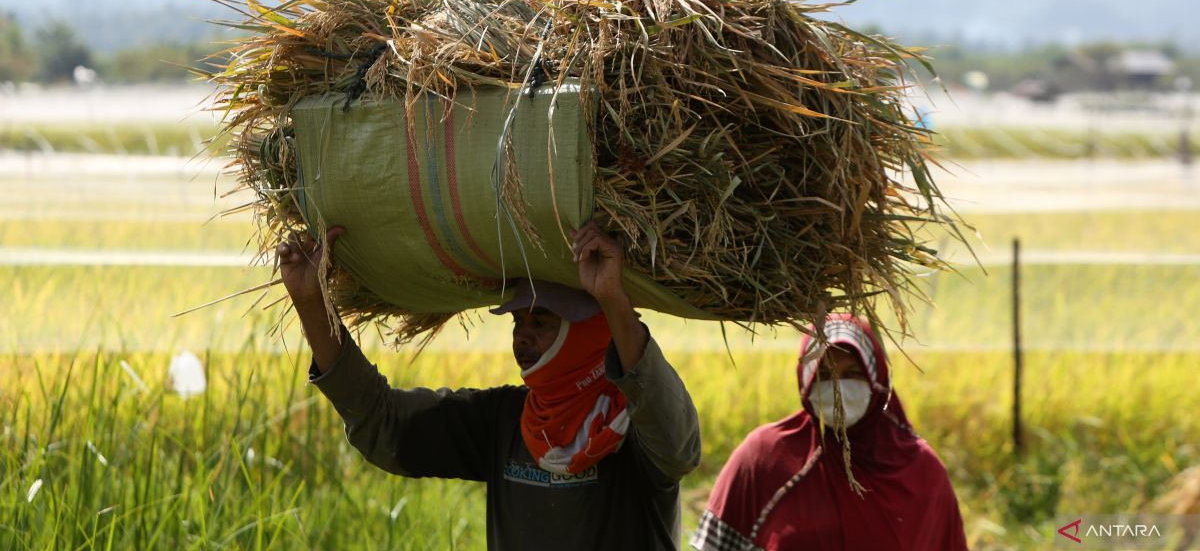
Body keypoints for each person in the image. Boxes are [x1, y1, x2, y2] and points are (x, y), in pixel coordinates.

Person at [278, 219, 702, 550]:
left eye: (541, 322)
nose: (522, 335)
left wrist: (614, 301)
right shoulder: (506, 423)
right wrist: (312, 304)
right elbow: (384, 424)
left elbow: (680, 446)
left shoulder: (636, 430)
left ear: (590, 333)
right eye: (519, 320)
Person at [691, 314, 968, 551]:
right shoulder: (765, 457)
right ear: (806, 379)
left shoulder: (921, 472)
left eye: (853, 373)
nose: (838, 389)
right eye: (825, 374)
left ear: (877, 378)